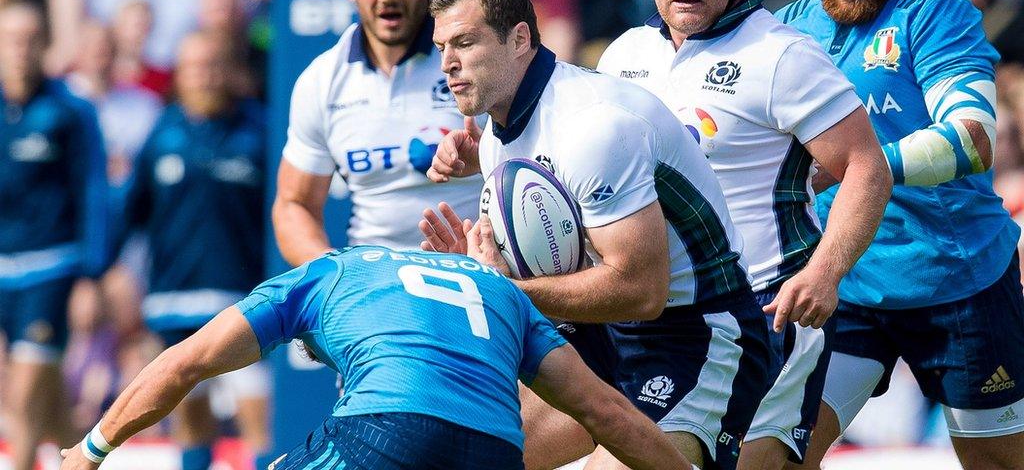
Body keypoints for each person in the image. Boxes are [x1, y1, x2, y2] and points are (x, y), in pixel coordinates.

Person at [422, 0, 770, 470]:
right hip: (597, 334)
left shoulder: (592, 126)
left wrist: (503, 290)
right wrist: (477, 273)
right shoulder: (499, 135)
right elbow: (549, 270)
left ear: (520, 38)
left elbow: (642, 290)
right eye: (441, 48)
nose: (448, 64)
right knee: (473, 454)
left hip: (694, 336)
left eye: (465, 42)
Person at [594, 0, 891, 468]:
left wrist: (825, 272)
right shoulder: (624, 55)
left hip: (764, 313)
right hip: (653, 312)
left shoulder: (780, 56)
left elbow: (865, 167)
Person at [775, 0, 1024, 468]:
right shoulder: (785, 32)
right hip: (846, 283)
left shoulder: (936, 13)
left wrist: (858, 169)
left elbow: (972, 138)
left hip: (958, 284)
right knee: (776, 454)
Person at [57, 246, 693, 470]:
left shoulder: (319, 278)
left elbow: (183, 364)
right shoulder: (500, 291)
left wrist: (90, 451)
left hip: (387, 427)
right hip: (499, 453)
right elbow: (606, 410)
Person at [272, 0, 481, 266]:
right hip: (372, 284)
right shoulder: (322, 80)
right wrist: (334, 274)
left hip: (478, 271)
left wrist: (486, 160)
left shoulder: (473, 58)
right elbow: (294, 205)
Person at [115, 30, 269, 470]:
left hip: (246, 300)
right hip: (174, 300)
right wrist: (108, 272)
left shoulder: (260, 131)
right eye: (194, 67)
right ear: (180, 76)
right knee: (190, 418)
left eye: (212, 65)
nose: (204, 76)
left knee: (256, 413)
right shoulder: (162, 135)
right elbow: (131, 212)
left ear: (231, 71)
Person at [0, 1, 108, 470]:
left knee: (25, 394)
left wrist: (92, 275)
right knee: (51, 409)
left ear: (44, 44)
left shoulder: (70, 111)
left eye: (29, 39)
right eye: (10, 39)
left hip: (52, 267)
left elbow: (95, 191)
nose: (20, 50)